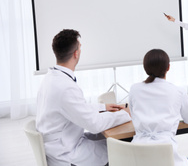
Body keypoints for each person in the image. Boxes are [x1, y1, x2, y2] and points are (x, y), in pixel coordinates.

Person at [36, 29, 131, 166]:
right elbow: (95, 124)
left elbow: (74, 107)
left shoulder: (50, 78)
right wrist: (125, 114)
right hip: (67, 153)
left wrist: (103, 107)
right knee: (123, 145)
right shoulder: (65, 87)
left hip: (62, 142)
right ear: (76, 53)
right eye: (80, 47)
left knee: (112, 140)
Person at [128, 49, 188, 166]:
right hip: (166, 154)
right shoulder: (178, 91)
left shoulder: (134, 89)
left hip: (138, 155)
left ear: (145, 68)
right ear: (168, 67)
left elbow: (133, 114)